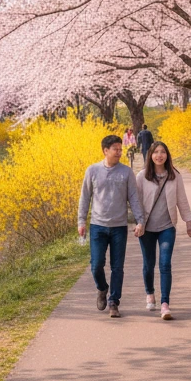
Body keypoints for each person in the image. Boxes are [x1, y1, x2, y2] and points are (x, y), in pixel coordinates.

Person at [78, 134, 145, 318]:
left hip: (118, 227)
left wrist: (140, 221)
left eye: (120, 148)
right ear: (105, 150)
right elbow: (85, 197)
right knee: (96, 265)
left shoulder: (126, 172)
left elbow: (134, 198)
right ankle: (102, 288)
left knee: (117, 267)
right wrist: (81, 221)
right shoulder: (92, 171)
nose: (119, 152)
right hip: (98, 225)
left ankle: (114, 302)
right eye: (115, 149)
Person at [135, 142, 191, 320]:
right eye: (156, 152)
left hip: (167, 226)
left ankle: (165, 303)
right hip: (147, 228)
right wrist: (139, 223)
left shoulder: (174, 176)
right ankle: (150, 293)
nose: (159, 155)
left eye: (163, 152)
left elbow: (182, 200)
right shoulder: (142, 176)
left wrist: (189, 222)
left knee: (165, 264)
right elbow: (136, 202)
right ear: (150, 155)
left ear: (167, 155)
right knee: (148, 264)